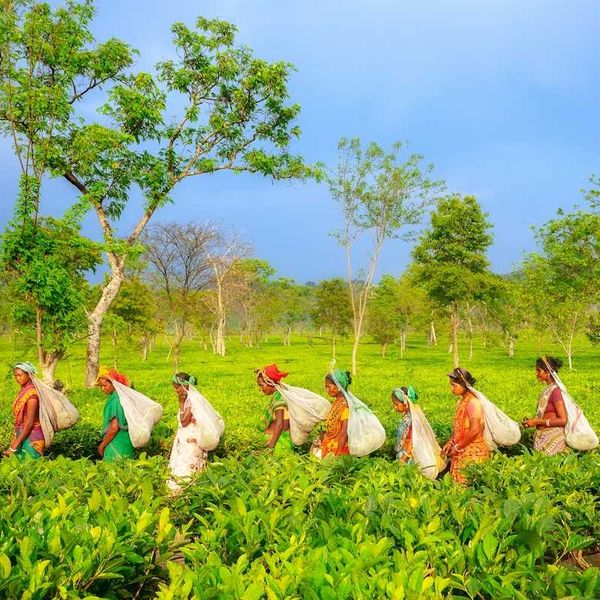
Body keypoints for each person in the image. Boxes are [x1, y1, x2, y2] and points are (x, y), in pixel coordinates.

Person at [442, 368, 490, 484]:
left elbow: (475, 430)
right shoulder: (462, 402)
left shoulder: (473, 403)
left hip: (473, 453)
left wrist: (457, 447)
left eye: (454, 385)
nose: (451, 388)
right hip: (462, 449)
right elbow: (459, 428)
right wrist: (451, 442)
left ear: (464, 385)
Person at [168, 372, 208, 488]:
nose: (176, 391)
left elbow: (184, 421)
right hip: (188, 441)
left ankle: (182, 491)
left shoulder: (190, 400)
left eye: (176, 388)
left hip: (190, 442)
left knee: (186, 468)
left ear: (183, 386)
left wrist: (180, 403)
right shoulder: (190, 399)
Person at [522, 356, 568, 455]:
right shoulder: (548, 389)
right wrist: (532, 421)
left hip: (553, 439)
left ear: (547, 372)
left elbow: (563, 420)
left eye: (539, 371)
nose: (537, 374)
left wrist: (536, 421)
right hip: (542, 438)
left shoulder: (555, 391)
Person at [5, 362, 44, 459]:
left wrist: (14, 447)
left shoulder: (32, 396)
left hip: (32, 437)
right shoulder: (23, 392)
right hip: (21, 434)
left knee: (31, 469)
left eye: (20, 375)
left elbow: (29, 423)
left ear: (29, 375)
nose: (18, 378)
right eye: (16, 375)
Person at [96, 367, 135, 461]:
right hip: (125, 443)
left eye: (105, 385)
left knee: (113, 471)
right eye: (101, 386)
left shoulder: (116, 400)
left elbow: (114, 428)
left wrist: (102, 445)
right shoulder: (122, 397)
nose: (103, 389)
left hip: (117, 443)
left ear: (114, 384)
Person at [256, 364, 294, 456]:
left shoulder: (278, 398)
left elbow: (280, 424)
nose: (260, 389)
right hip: (279, 440)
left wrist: (271, 447)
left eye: (262, 385)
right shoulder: (280, 394)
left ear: (270, 383)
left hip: (278, 442)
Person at [320, 369, 351, 458]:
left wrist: (338, 455)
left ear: (338, 386)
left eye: (329, 386)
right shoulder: (337, 402)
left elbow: (343, 433)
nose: (327, 389)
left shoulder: (345, 407)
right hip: (330, 447)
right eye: (326, 387)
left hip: (338, 449)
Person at [392, 386, 417, 464]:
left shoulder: (412, 419)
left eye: (396, 404)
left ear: (406, 404)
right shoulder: (407, 416)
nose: (394, 407)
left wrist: (403, 458)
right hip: (403, 452)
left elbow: (412, 441)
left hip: (409, 455)